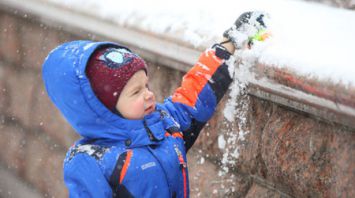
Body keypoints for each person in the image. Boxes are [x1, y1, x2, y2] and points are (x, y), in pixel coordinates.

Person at [42, 11, 269, 198]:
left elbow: (194, 93)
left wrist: (227, 44)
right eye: (136, 92)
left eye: (146, 86)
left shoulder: (164, 125)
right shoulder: (92, 162)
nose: (149, 95)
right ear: (102, 108)